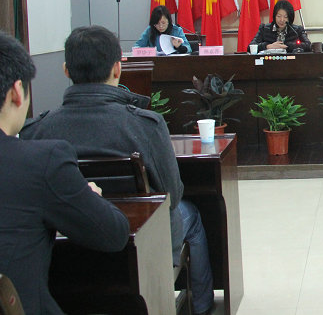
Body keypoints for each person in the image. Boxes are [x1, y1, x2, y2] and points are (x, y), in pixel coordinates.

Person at [21, 26, 215, 315]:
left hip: (65, 251)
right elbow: (172, 195)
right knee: (191, 214)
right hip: (139, 246)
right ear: (117, 68)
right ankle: (201, 307)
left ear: (65, 70)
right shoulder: (145, 125)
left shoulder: (37, 131)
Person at [0, 31, 129, 315]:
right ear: (16, 92)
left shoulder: (38, 136)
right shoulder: (41, 161)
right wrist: (87, 196)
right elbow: (114, 234)